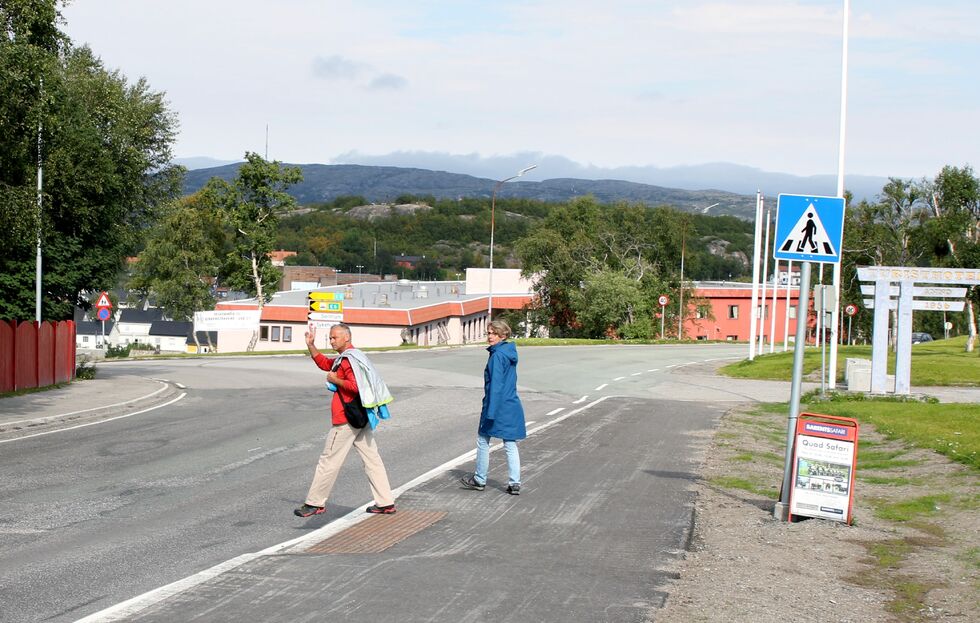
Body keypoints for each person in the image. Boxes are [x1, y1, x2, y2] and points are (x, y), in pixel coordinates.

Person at [294, 323, 397, 517]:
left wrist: (335, 381)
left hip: (346, 420)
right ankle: (385, 503)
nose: (331, 340)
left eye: (335, 337)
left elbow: (355, 386)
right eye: (330, 337)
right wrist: (311, 345)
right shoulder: (353, 356)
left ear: (346, 338)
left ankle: (315, 503)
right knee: (372, 459)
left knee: (328, 460)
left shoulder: (348, 360)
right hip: (361, 416)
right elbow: (326, 364)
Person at [460, 319, 527, 495]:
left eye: (493, 333)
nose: (489, 336)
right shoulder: (508, 351)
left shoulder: (497, 356)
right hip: (511, 403)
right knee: (510, 443)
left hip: (497, 405)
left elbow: (496, 385)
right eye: (489, 333)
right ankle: (515, 483)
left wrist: (490, 411)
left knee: (483, 440)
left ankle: (480, 479)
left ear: (503, 335)